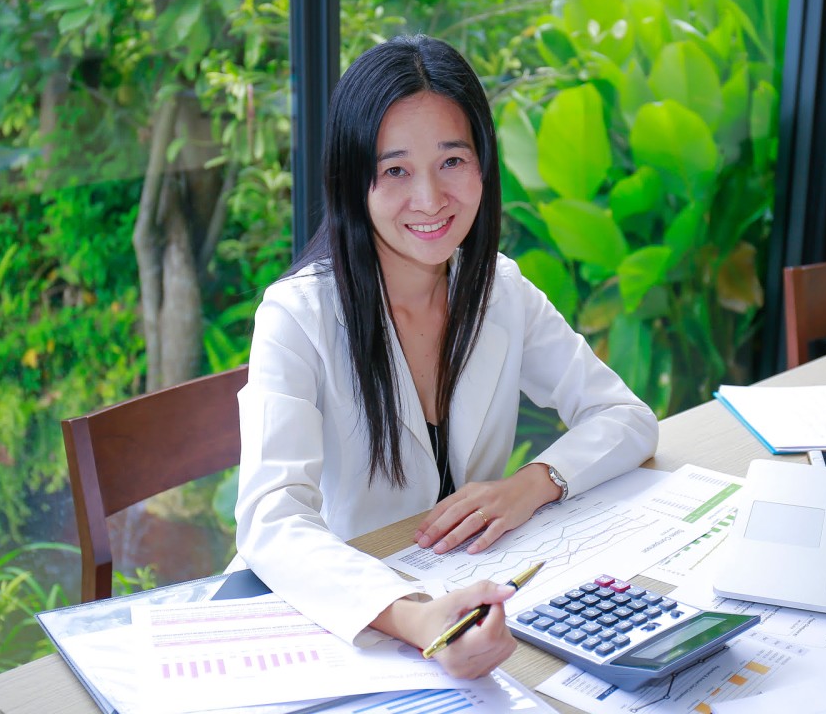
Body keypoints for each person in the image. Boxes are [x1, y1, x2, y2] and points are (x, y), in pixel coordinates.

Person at [228, 34, 659, 680]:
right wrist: (416, 618)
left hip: (483, 604)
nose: (430, 200)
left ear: (483, 163)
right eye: (396, 170)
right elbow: (271, 520)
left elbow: (626, 418)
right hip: (349, 628)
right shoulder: (296, 317)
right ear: (355, 182)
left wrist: (530, 487)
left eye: (452, 161)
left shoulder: (499, 290)